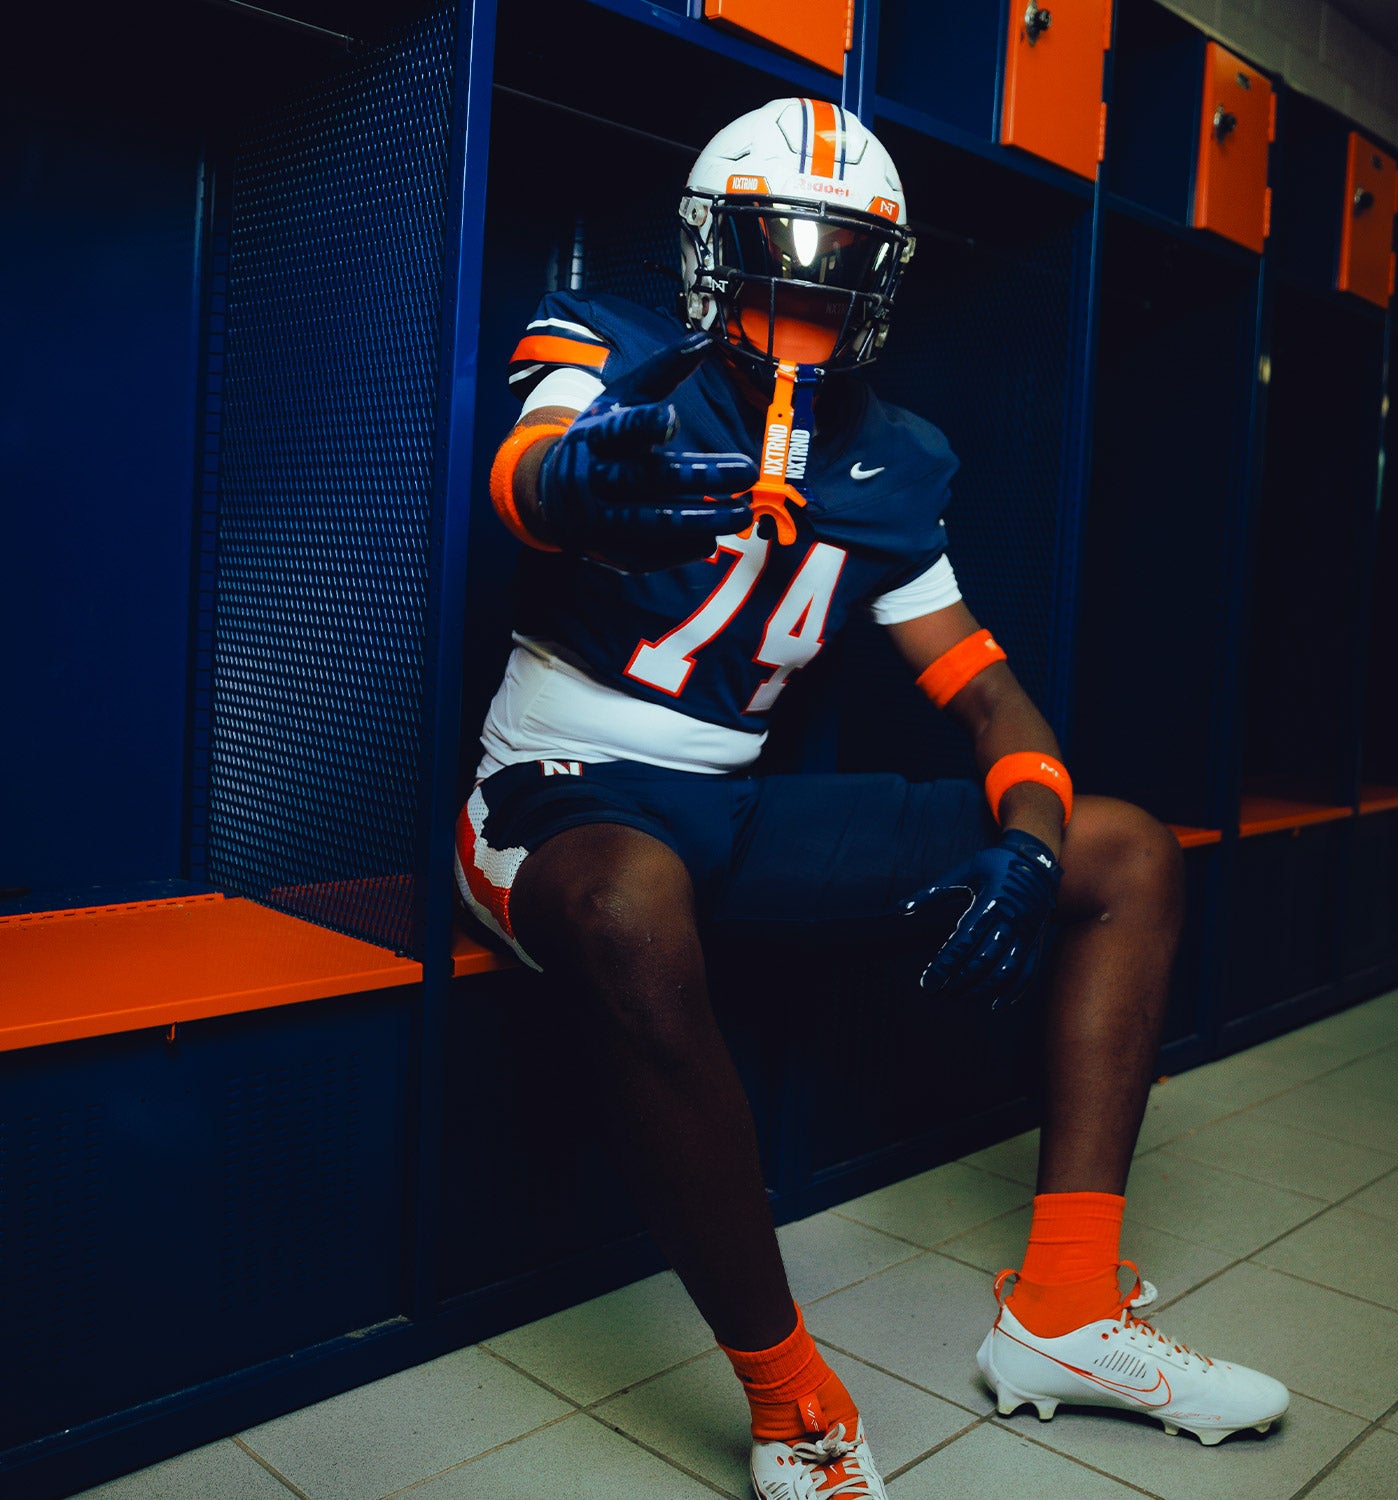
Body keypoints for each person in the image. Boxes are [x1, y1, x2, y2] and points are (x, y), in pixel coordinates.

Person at [456, 97, 1288, 1499]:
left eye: (838, 254)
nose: (804, 282)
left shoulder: (897, 459)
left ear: (884, 278)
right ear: (709, 250)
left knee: (1124, 849)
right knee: (631, 900)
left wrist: (1025, 849)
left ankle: (1068, 1311)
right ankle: (790, 1403)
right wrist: (584, 479)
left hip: (736, 808)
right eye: (775, 248)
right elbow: (528, 477)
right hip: (567, 788)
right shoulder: (611, 349)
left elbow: (984, 694)